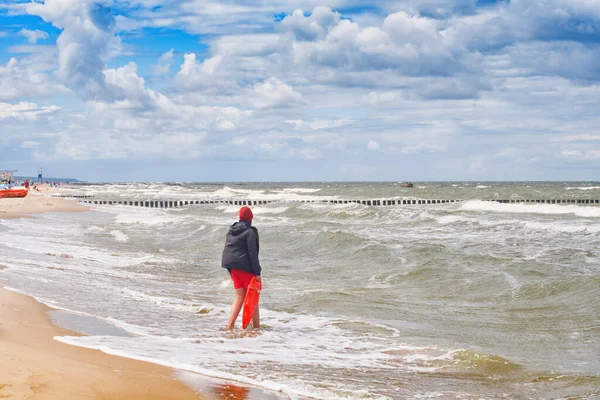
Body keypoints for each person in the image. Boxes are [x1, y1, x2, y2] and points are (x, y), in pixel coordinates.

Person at [221, 206, 261, 330]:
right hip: (246, 270)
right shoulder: (250, 232)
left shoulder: (231, 231)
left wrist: (231, 270)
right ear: (251, 218)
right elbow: (252, 253)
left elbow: (228, 249)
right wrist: (257, 272)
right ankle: (256, 328)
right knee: (253, 298)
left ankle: (229, 325)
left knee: (239, 298)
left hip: (233, 269)